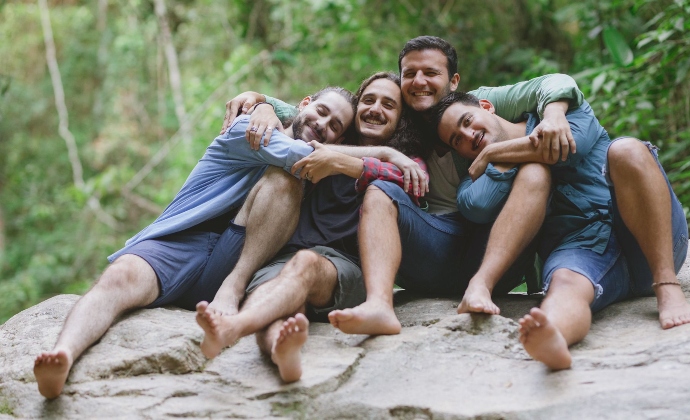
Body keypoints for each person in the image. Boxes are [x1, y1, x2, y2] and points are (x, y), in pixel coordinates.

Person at [32, 87, 357, 399]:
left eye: (335, 126)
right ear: (303, 104)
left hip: (233, 260)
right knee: (121, 275)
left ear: (340, 139)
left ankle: (248, 309)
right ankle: (63, 355)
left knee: (286, 181)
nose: (322, 124)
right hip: (179, 245)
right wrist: (265, 105)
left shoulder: (315, 159)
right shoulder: (248, 125)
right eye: (321, 111)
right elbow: (304, 152)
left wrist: (267, 101)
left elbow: (311, 154)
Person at [328, 35, 583, 335]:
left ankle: (481, 287)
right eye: (409, 74)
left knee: (537, 171)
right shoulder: (397, 114)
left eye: (431, 73)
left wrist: (553, 115)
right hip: (432, 245)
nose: (419, 81)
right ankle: (379, 306)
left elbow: (552, 84)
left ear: (453, 81)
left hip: (498, 247)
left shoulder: (476, 107)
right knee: (380, 190)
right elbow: (321, 111)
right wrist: (264, 104)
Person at [431, 91, 690, 369]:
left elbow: (567, 145)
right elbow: (477, 205)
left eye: (467, 120)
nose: (467, 135)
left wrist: (494, 151)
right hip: (581, 249)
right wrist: (509, 162)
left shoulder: (561, 116)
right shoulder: (476, 175)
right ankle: (554, 336)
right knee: (563, 286)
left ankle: (667, 286)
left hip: (652, 235)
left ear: (486, 106)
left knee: (626, 149)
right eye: (456, 140)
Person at [195, 72, 427, 382]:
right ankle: (281, 350)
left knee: (305, 264)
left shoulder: (407, 161)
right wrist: (263, 103)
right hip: (284, 257)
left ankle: (232, 328)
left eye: (388, 105)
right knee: (273, 298)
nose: (375, 109)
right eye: (368, 100)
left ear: (400, 120)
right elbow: (301, 116)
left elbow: (414, 184)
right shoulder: (334, 136)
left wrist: (359, 161)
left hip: (343, 270)